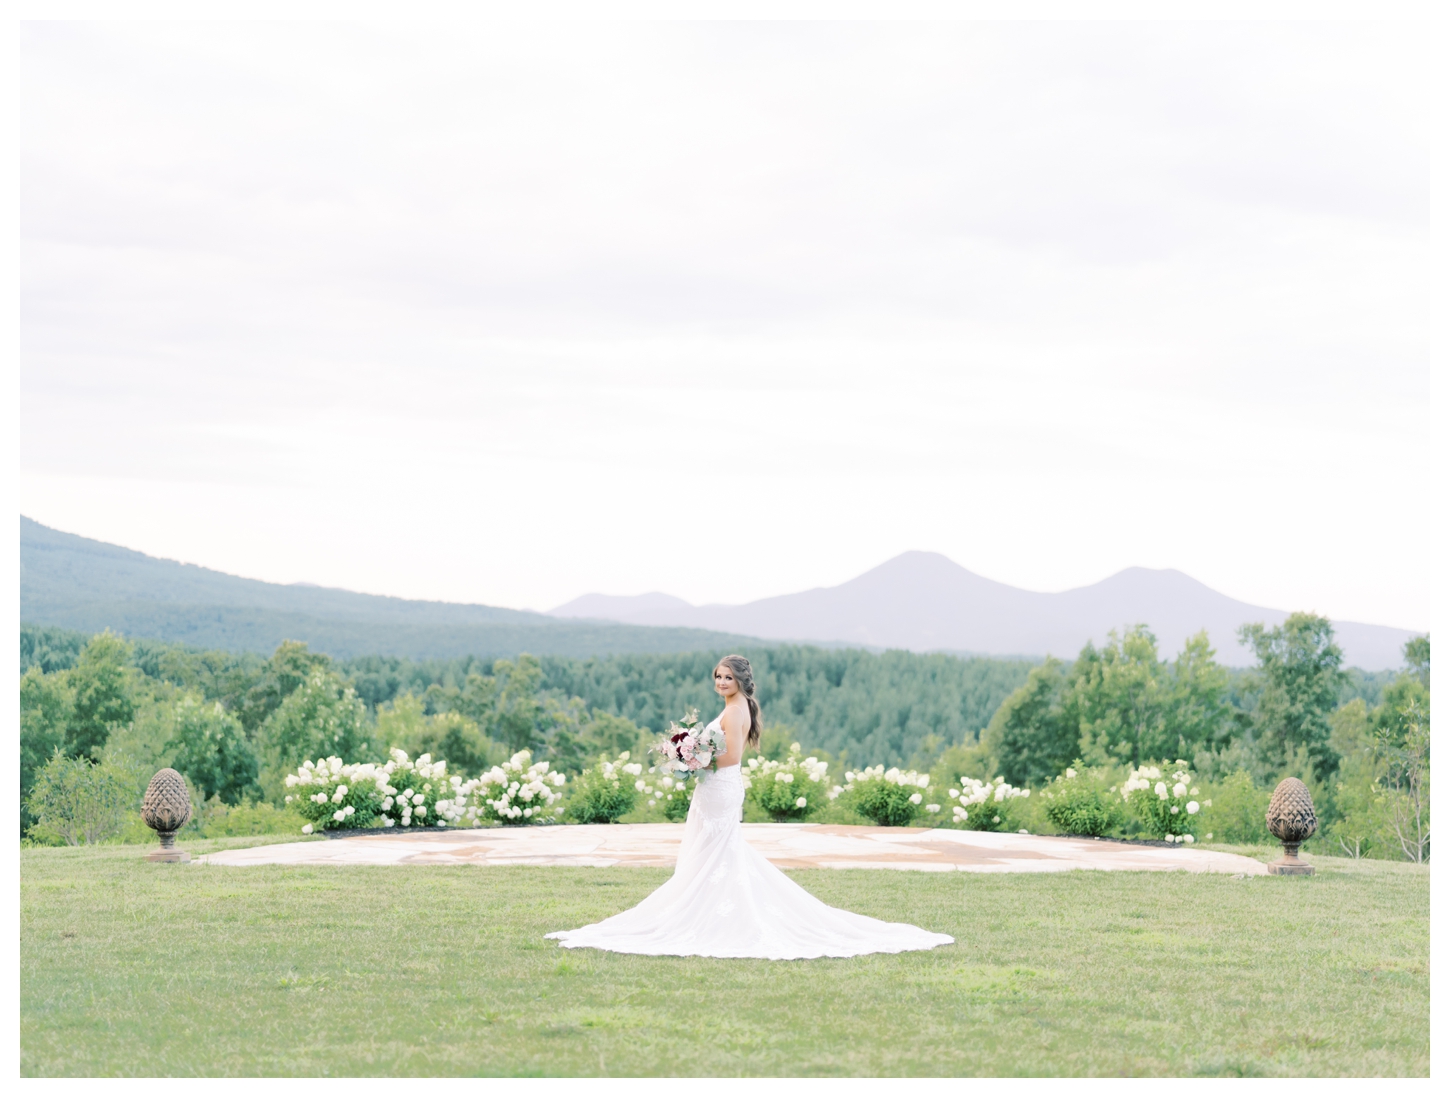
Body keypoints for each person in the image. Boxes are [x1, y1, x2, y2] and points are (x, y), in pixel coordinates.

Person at [546, 654, 953, 959]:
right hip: (717, 788)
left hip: (721, 786)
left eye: (728, 677)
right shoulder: (734, 708)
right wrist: (693, 753)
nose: (722, 682)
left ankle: (713, 916)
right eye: (718, 677)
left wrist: (692, 758)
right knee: (716, 853)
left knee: (719, 852)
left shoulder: (736, 711)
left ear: (741, 680)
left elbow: (731, 757)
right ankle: (708, 907)